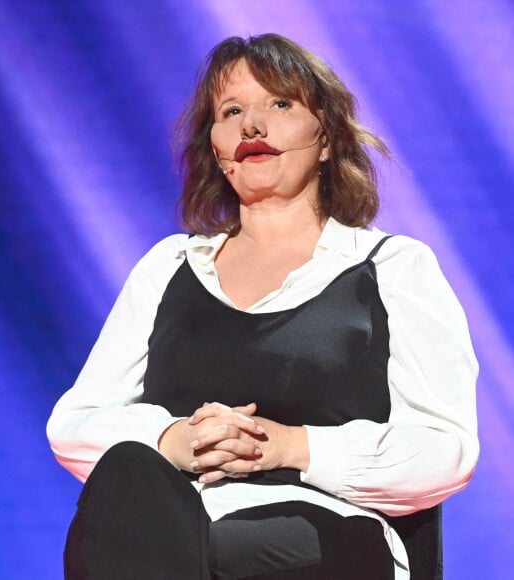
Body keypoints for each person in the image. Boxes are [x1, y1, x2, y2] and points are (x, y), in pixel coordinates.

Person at [46, 33, 479, 580]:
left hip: (327, 531)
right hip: (178, 520)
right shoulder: (169, 268)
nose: (252, 124)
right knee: (131, 478)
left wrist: (286, 446)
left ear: (325, 138)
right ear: (217, 149)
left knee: (213, 546)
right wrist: (180, 439)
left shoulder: (393, 268)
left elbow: (445, 452)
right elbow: (76, 423)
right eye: (231, 111)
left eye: (280, 103)